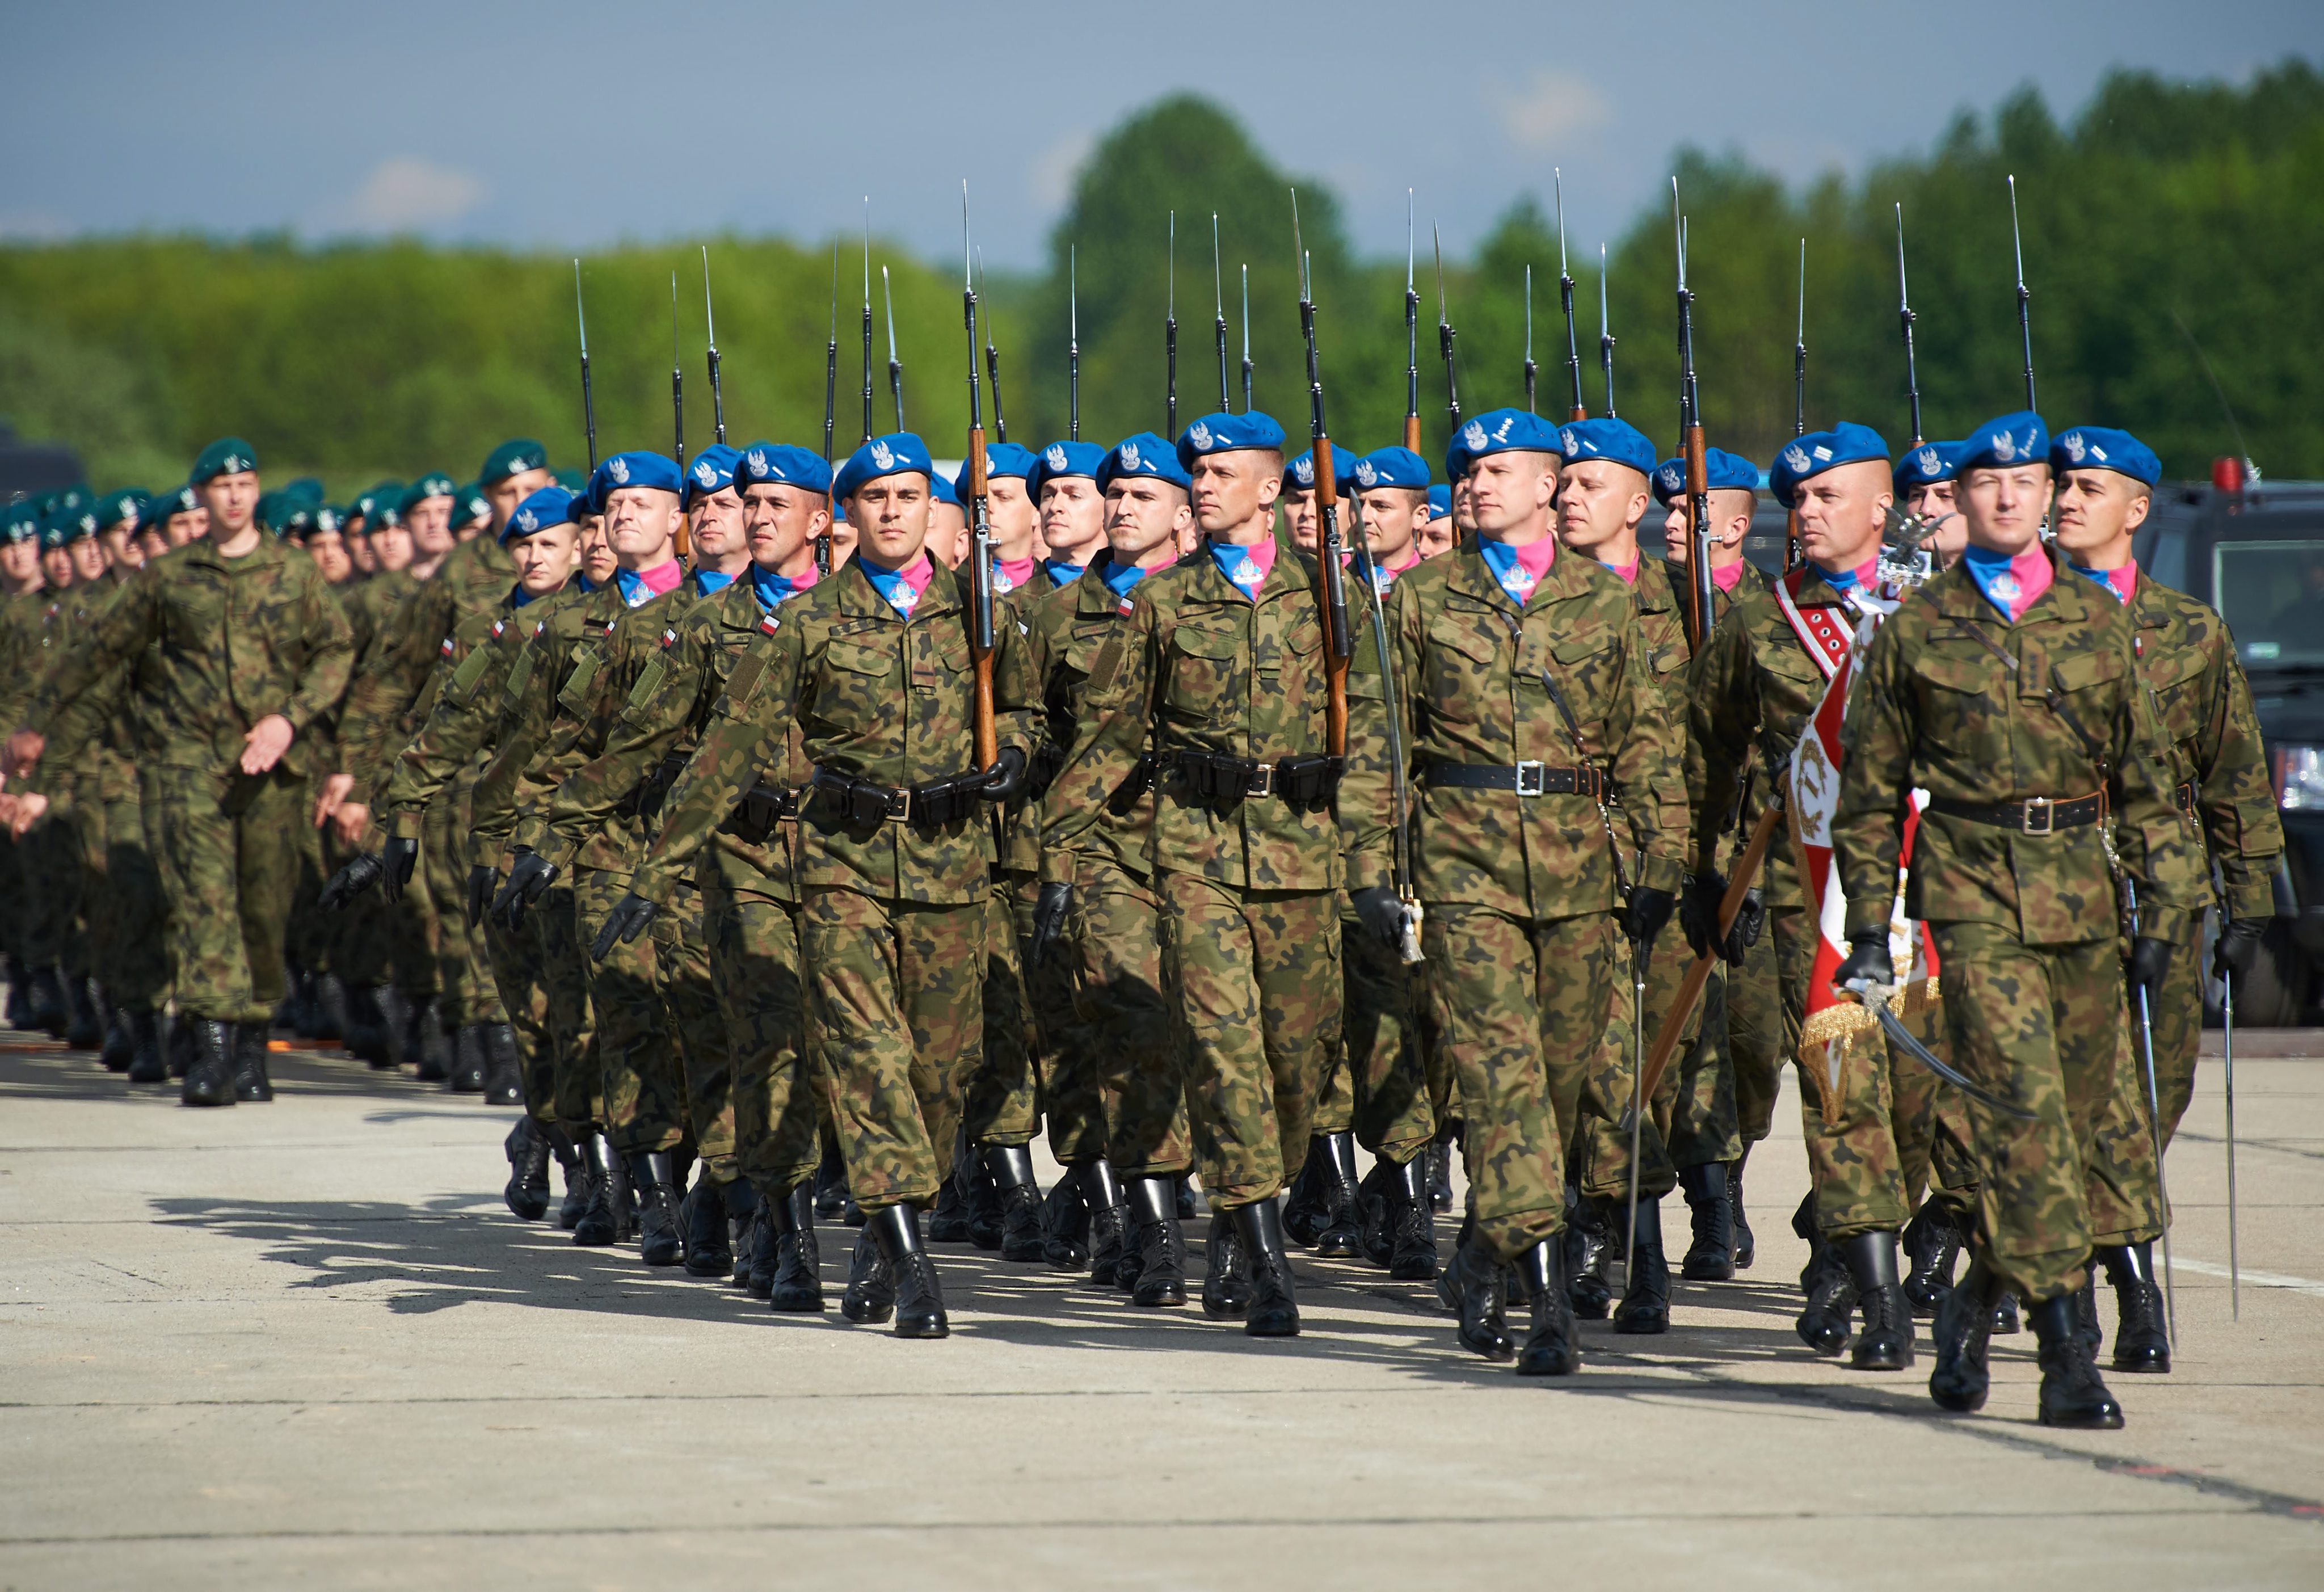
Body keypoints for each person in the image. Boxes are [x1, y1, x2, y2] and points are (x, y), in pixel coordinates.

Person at [598, 432, 1035, 1340]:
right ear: (847, 514)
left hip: (951, 864)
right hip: (844, 867)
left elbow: (1026, 702)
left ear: (932, 510)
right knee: (868, 1062)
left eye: (908, 496)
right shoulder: (807, 623)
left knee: (939, 1071)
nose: (890, 511)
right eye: (873, 496)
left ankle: (882, 1236)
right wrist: (660, 864)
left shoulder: (980, 609)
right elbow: (733, 745)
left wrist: (1019, 751)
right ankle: (913, 1259)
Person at [1832, 410, 2199, 1430]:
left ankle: (1971, 1299)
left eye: (2025, 483)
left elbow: (2147, 782)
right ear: (1959, 497)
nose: (2005, 498)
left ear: (2046, 495)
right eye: (1984, 484)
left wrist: (2165, 904)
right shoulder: (1915, 631)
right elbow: (1869, 796)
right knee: (2025, 1115)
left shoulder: (2095, 623)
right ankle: (2066, 1350)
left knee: (2077, 1134)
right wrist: (1870, 930)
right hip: (1972, 894)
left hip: (2082, 895)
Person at [1354, 407, 1682, 1375]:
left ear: (1549, 486)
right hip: (1466, 868)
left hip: (1580, 870)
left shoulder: (1609, 602)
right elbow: (1383, 747)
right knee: (1502, 1083)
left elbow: (1648, 745)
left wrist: (1661, 863)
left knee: (1564, 1081)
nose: (1477, 484)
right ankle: (1548, 1304)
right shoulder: (1419, 601)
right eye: (1468, 472)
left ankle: (1481, 1247)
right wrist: (1374, 867)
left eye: (1500, 470)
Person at [1047, 410, 1345, 1340]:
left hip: (1303, 853)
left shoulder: (1333, 599)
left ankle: (1243, 1199)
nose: (1204, 484)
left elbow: (1375, 736)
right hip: (1198, 854)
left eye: (1222, 472)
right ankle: (1263, 1255)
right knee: (1219, 1049)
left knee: (1296, 1063)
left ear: (1270, 488)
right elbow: (1109, 741)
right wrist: (1055, 854)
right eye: (1197, 472)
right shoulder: (1166, 606)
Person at [1686, 423, 1931, 1372]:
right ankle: (1872, 1292)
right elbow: (1706, 751)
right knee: (1842, 1091)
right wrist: (1708, 869)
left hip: (1938, 890)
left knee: (1917, 1103)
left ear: (1884, 506)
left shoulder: (1938, 610)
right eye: (1798, 500)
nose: (1805, 514)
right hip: (1810, 895)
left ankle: (1841, 1229)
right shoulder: (1761, 619)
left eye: (1828, 496)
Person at [5, 438, 354, 1106]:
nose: (232, 496)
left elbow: (334, 652)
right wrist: (37, 724)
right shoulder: (168, 579)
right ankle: (214, 1047)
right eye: (218, 486)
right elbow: (97, 652)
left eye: (244, 484)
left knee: (262, 904)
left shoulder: (292, 572)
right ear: (200, 495)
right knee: (204, 902)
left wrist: (290, 717)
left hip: (273, 769)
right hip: (187, 764)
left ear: (255, 492)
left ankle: (253, 1038)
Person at [2048, 422, 2282, 1374]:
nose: (2066, 500)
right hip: (2050, 880)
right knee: (2061, 1095)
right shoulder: (2020, 620)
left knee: (2151, 1091)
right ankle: (2116, 1287)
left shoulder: (2189, 631)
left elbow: (2232, 766)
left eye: (2089, 489)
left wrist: (2249, 891)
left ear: (2137, 511)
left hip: (2162, 885)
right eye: (2060, 484)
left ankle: (2122, 1264)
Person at [1028, 432, 1199, 1303]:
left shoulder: (1211, 604)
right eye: (1116, 493)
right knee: (1128, 1025)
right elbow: (1024, 719)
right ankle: (1149, 1224)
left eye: (1143, 493)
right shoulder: (1054, 615)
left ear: (1183, 509)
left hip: (1211, 839)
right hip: (1102, 842)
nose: (1124, 507)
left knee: (1226, 1032)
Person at [1289, 443, 1437, 1278]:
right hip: (1326, 837)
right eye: (1357, 503)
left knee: (1418, 1025)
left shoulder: (1435, 600)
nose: (1360, 513)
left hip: (1428, 841)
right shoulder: (1315, 601)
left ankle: (1400, 1177)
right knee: (1339, 1024)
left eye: (1380, 503)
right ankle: (1365, 1182)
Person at [1894, 441, 1966, 568]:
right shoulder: (1890, 585)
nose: (1926, 510)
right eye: (1917, 496)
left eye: (1945, 496)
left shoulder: (2009, 583)